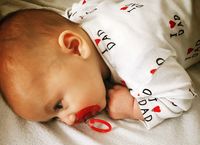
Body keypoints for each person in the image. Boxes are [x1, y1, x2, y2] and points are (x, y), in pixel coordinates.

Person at [0, 0, 199, 129]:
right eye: (56, 118)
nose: (68, 120)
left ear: (75, 47)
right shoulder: (80, 15)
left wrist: (133, 107)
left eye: (58, 105)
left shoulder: (138, 61)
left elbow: (179, 95)